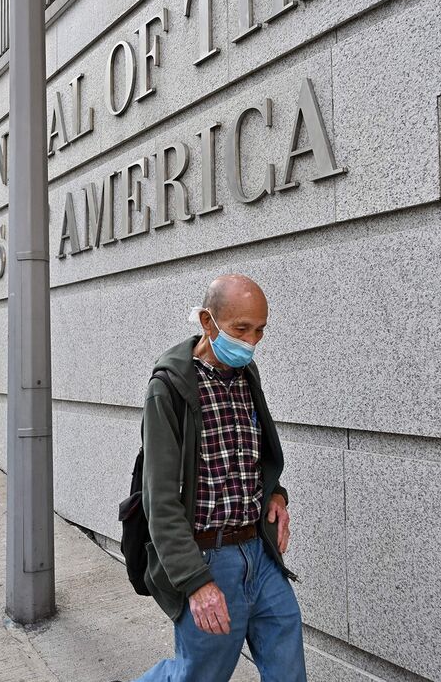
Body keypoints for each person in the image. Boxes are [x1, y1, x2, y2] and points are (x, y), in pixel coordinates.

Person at [133, 274, 306, 682]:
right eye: (241, 329)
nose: (250, 342)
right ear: (208, 323)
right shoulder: (169, 389)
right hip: (208, 558)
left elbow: (254, 458)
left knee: (288, 669)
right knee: (197, 676)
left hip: (259, 556)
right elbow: (159, 500)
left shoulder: (246, 375)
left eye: (259, 330)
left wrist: (275, 495)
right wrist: (196, 582)